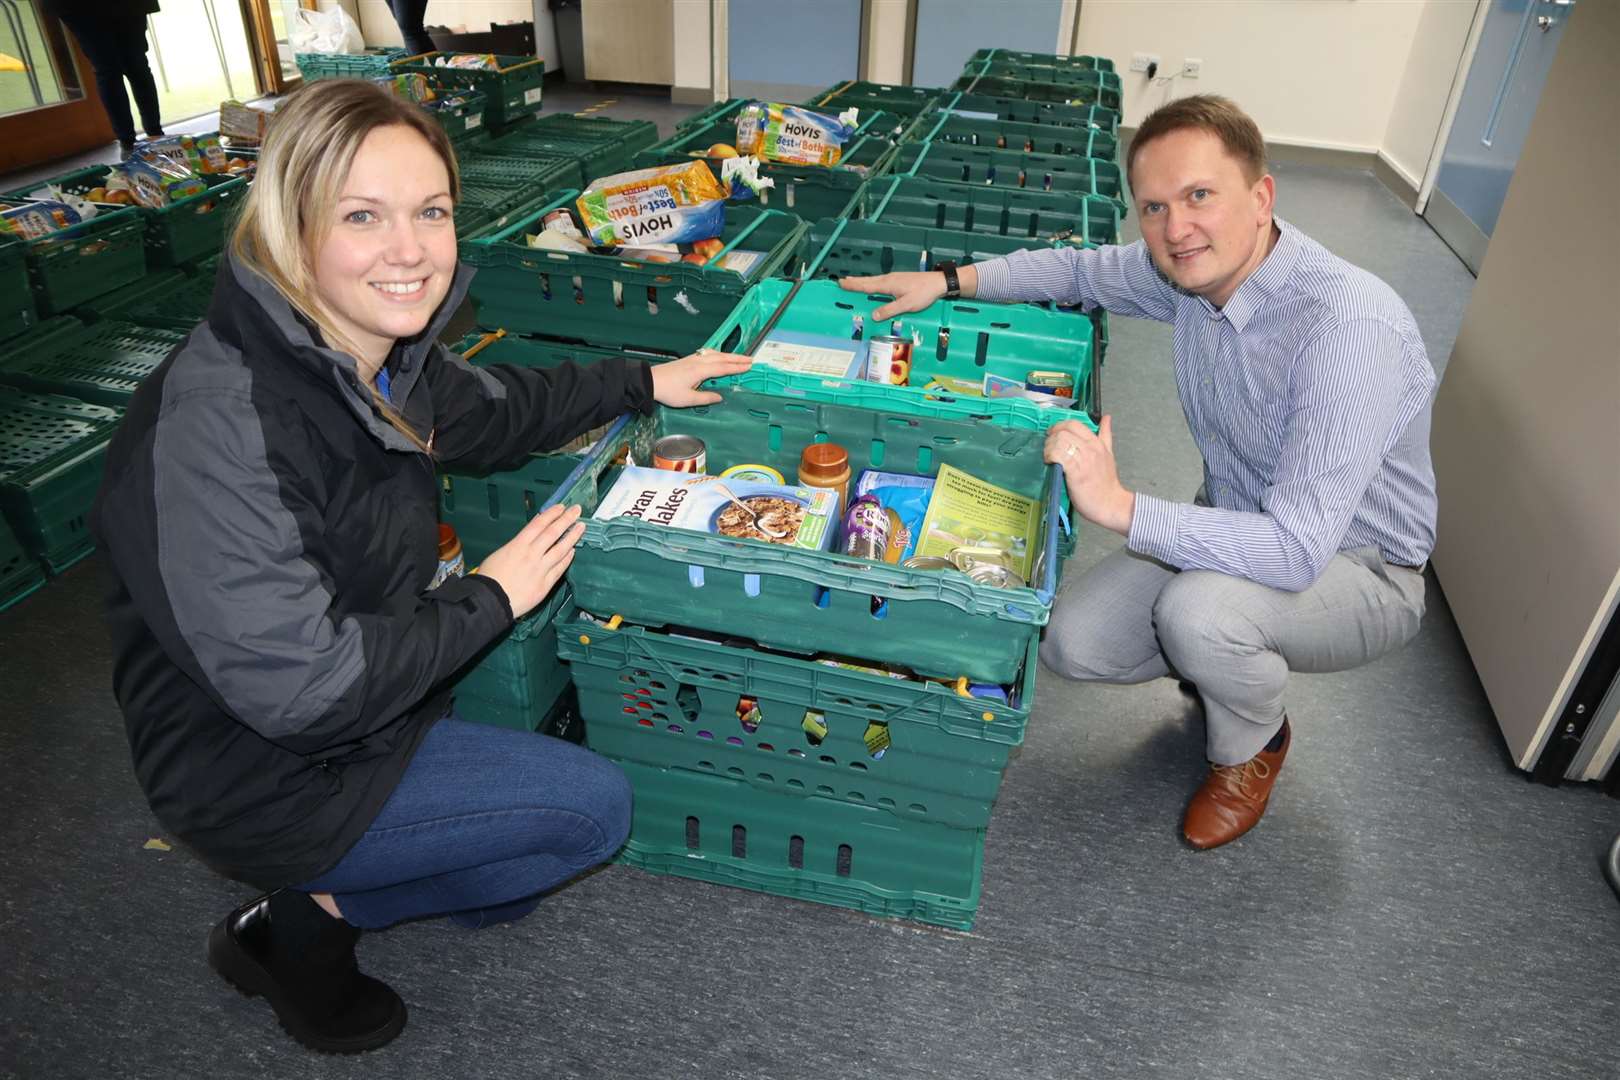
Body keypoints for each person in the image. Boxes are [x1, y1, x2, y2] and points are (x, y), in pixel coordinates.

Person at [91, 78, 751, 1054]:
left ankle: (353, 880)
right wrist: (493, 598)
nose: (411, 251)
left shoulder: (375, 353)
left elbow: (496, 408)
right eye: (364, 215)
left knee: (524, 858)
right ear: (290, 224)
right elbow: (303, 692)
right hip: (257, 766)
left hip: (371, 699)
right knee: (590, 817)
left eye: (431, 212)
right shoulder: (216, 425)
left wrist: (644, 379)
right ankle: (298, 928)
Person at [841, 94, 1436, 852]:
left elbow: (1294, 550)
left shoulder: (1348, 327)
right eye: (1154, 207)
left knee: (1199, 615)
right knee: (1071, 641)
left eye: (1199, 196)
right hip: (1236, 521)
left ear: (1261, 198)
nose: (1175, 228)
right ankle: (1219, 661)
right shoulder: (1190, 272)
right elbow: (1079, 267)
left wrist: (1122, 508)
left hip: (1359, 568)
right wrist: (951, 282)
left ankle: (1252, 743)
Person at [43, 0, 165, 156]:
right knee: (108, 70)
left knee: (136, 65)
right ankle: (128, 143)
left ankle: (156, 136)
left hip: (129, 5)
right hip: (79, 8)